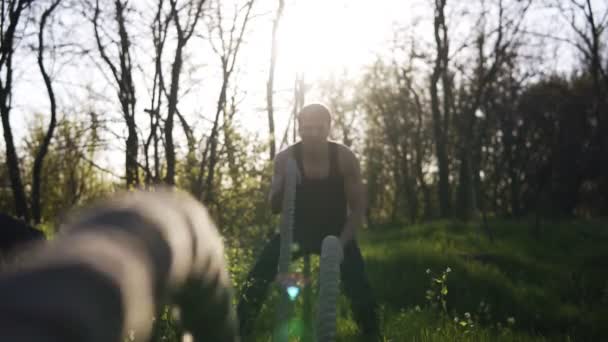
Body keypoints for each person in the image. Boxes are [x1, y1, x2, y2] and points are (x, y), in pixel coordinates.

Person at [237, 103, 380, 340]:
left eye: (318, 127)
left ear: (328, 127)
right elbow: (273, 207)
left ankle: (371, 333)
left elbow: (357, 210)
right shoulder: (285, 158)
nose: (312, 133)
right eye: (307, 128)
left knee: (358, 281)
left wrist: (341, 245)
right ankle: (239, 330)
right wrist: (284, 183)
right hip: (295, 233)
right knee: (259, 274)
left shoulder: (344, 157)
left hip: (335, 232)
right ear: (299, 127)